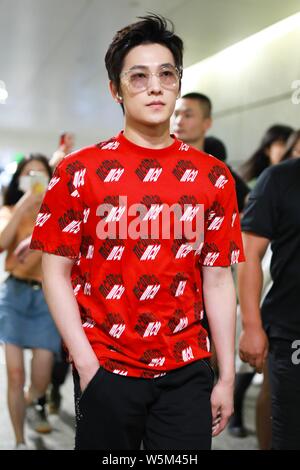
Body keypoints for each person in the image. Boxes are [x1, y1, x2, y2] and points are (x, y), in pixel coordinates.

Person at [29, 14, 245, 450]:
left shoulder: (213, 176)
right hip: (106, 366)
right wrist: (87, 366)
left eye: (167, 74)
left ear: (178, 84)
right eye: (139, 76)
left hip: (187, 368)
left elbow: (218, 277)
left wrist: (226, 376)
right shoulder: (78, 171)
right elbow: (54, 272)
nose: (155, 86)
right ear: (116, 90)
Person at [238, 152, 300, 449]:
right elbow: (249, 253)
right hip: (292, 332)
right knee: (290, 433)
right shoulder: (280, 178)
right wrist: (252, 326)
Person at [0, 154, 61, 449]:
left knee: (41, 377)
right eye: (29, 174)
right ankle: (20, 442)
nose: (35, 179)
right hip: (14, 295)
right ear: (20, 179)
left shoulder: (58, 212)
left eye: (41, 174)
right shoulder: (10, 209)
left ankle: (28, 400)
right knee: (14, 373)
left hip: (46, 298)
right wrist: (25, 201)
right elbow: (1, 242)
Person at [172, 93, 250, 212]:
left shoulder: (218, 170)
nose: (179, 121)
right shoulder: (161, 163)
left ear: (206, 123)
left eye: (188, 115)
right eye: (176, 114)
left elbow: (248, 200)